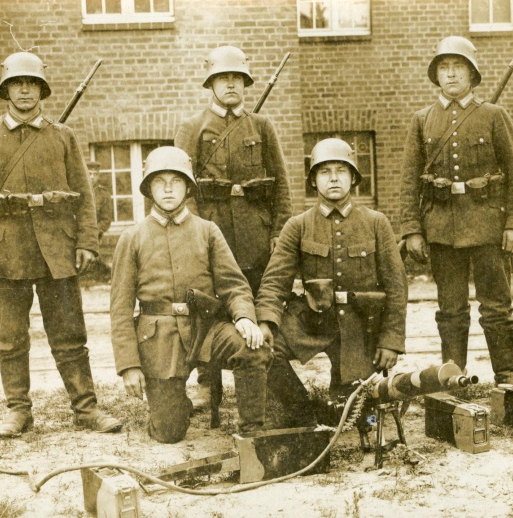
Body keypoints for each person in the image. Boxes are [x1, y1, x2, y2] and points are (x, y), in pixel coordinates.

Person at [0, 52, 121, 437]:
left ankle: (86, 409)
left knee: (70, 335)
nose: (24, 90)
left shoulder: (62, 137)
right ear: (5, 90)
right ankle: (17, 411)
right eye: (16, 84)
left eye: (31, 83)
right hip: (7, 252)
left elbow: (84, 195)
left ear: (41, 90)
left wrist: (87, 242)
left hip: (58, 251)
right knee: (11, 339)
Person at [109, 146, 272, 443]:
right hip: (159, 339)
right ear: (149, 188)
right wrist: (129, 365)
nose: (168, 188)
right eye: (160, 181)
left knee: (251, 347)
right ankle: (174, 405)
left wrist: (245, 317)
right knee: (169, 433)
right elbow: (120, 309)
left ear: (187, 187)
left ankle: (253, 434)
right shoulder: (132, 238)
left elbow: (234, 285)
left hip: (206, 328)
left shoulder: (207, 230)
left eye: (176, 180)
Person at [398, 36, 513, 387]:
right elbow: (409, 179)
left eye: (458, 67)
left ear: (472, 74)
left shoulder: (493, 116)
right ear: (435, 75)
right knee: (451, 310)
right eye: (444, 68)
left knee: (496, 306)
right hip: (441, 228)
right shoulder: (422, 120)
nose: (451, 74)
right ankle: (452, 378)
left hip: (488, 225)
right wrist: (412, 229)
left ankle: (506, 374)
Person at [174, 45, 293, 409]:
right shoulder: (192, 128)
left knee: (255, 304)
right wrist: (193, 233)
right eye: (223, 79)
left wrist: (278, 232)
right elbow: (181, 184)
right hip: (211, 232)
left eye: (237, 79)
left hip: (255, 234)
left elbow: (282, 184)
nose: (231, 85)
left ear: (245, 84)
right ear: (210, 84)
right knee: (212, 306)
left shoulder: (261, 126)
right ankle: (208, 381)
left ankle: (262, 378)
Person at [255, 138, 407, 420]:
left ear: (353, 178)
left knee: (355, 413)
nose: (334, 178)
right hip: (312, 320)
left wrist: (391, 340)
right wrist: (265, 321)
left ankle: (339, 403)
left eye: (341, 170)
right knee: (262, 351)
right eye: (325, 172)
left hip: (360, 326)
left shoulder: (376, 223)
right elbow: (274, 281)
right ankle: (303, 410)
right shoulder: (297, 225)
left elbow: (396, 287)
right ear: (314, 180)